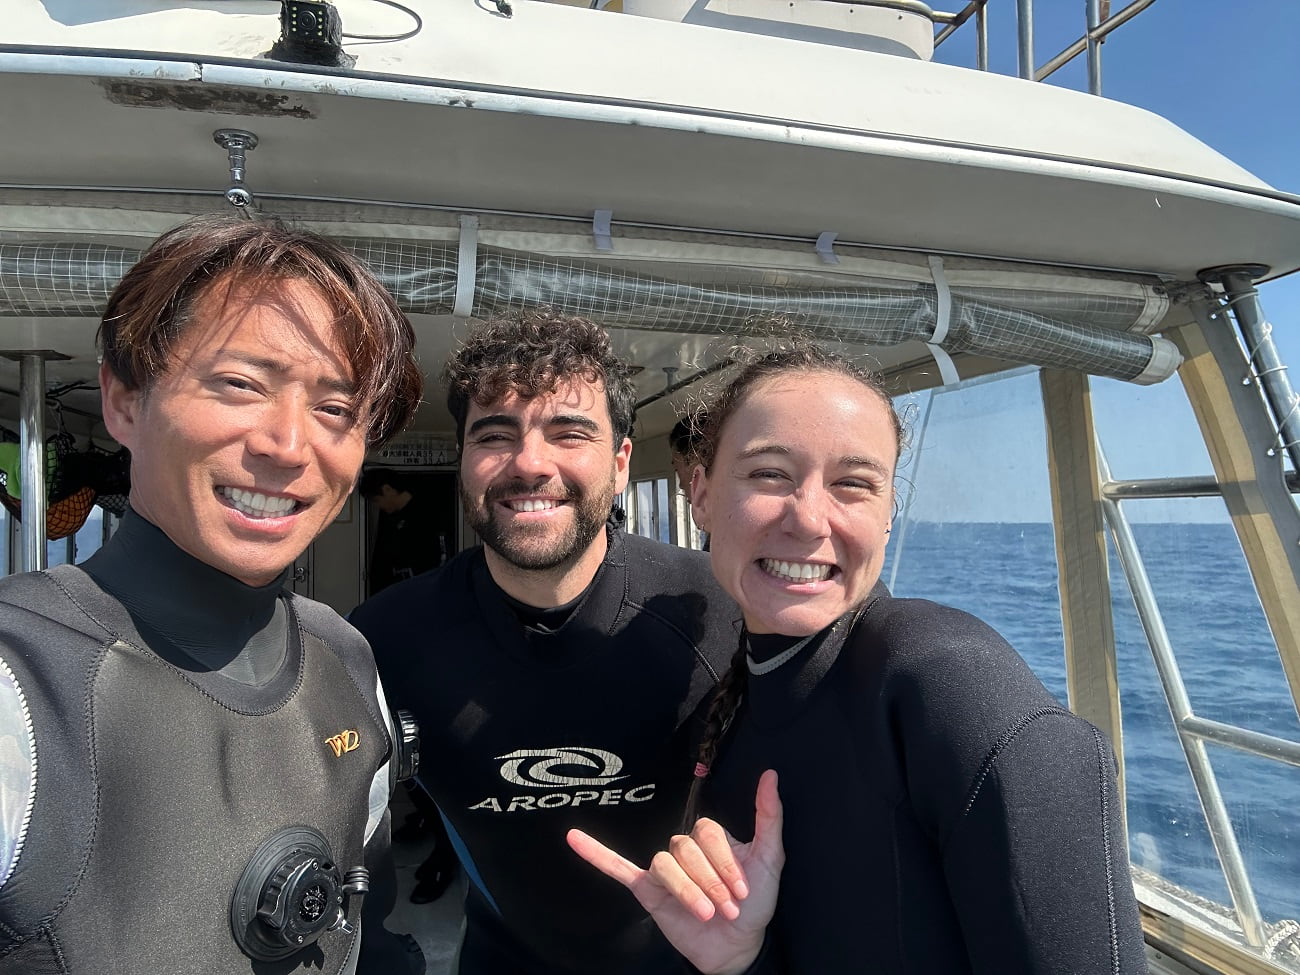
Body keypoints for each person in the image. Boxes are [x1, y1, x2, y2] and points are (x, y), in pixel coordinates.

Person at [570, 338, 1147, 974]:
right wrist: (739, 959)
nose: (810, 519)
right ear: (700, 494)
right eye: (769, 473)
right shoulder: (740, 694)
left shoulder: (948, 689)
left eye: (853, 484)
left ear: (889, 515)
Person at [0, 216, 426, 975]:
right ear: (125, 401)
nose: (288, 445)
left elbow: (367, 927)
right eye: (239, 384)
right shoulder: (21, 678)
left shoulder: (347, 659)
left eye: (335, 409)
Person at [349, 308, 738, 975]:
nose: (530, 462)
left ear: (621, 465)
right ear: (465, 463)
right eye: (495, 435)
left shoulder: (719, 614)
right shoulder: (385, 639)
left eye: (568, 432)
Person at [358, 467, 449, 594]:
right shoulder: (390, 519)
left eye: (377, 500)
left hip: (425, 586)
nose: (379, 506)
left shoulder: (427, 512)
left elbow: (439, 555)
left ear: (388, 489)